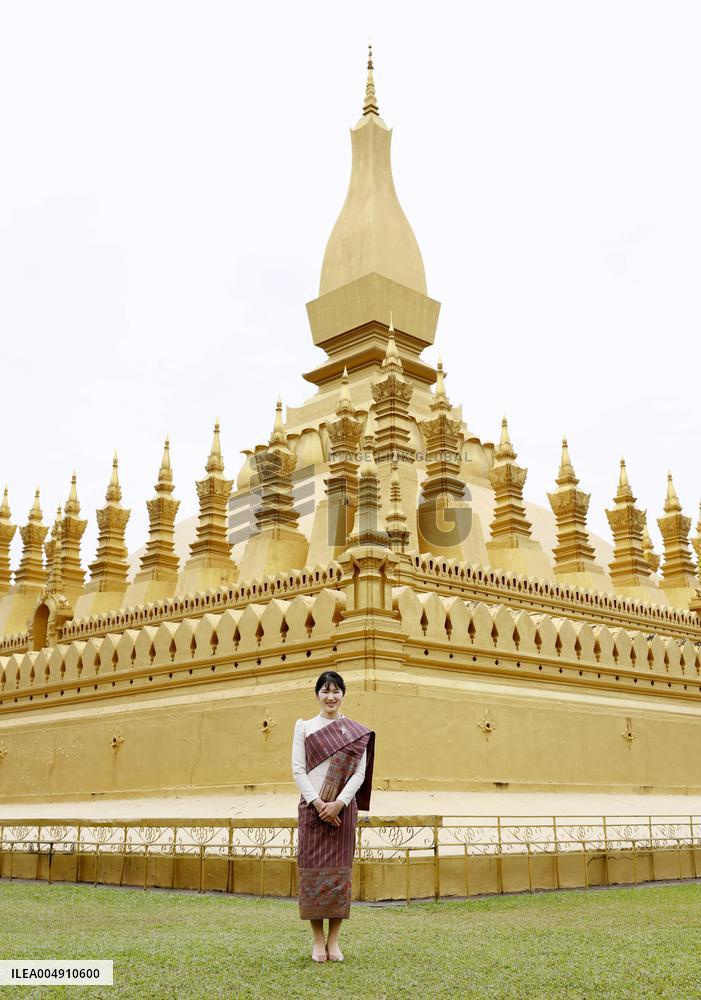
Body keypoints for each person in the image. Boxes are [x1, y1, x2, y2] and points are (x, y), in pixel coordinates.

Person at [291, 670, 375, 963]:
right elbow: (298, 769)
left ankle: (334, 941)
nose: (330, 697)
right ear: (317, 695)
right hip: (312, 809)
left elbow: (359, 774)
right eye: (325, 691)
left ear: (343, 695)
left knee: (340, 873)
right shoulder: (304, 727)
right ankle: (318, 941)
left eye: (336, 691)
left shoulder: (356, 733)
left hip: (343, 809)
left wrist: (338, 803)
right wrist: (318, 803)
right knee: (312, 873)